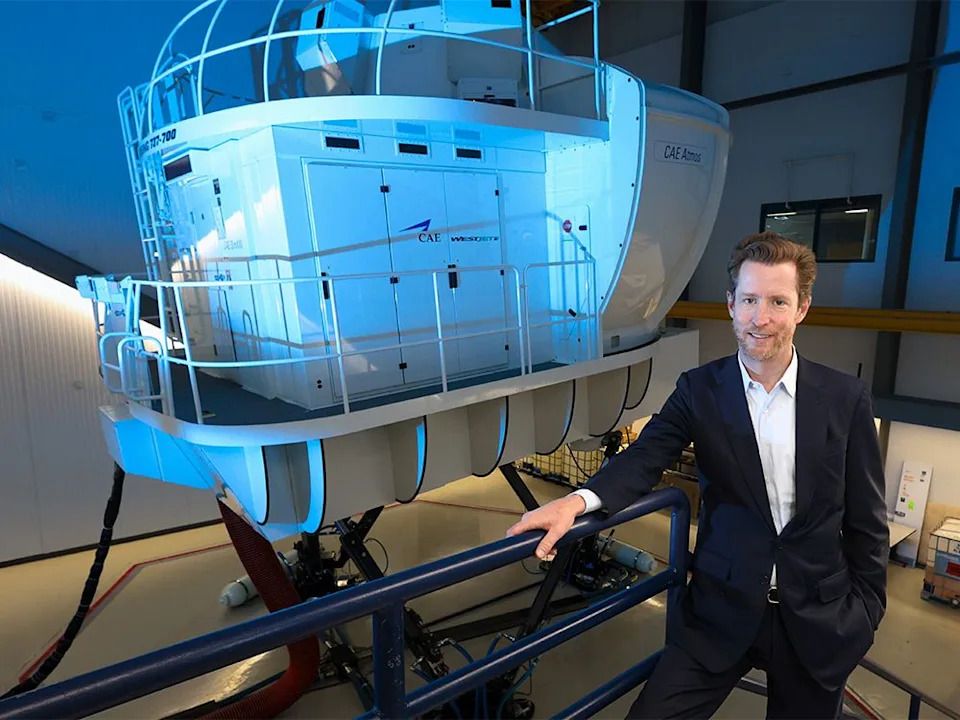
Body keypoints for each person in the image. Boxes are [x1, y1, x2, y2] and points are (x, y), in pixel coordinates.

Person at [506, 231, 888, 719]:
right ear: (731, 305)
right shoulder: (699, 390)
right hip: (719, 611)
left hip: (816, 621)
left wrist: (866, 612)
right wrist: (576, 501)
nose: (761, 318)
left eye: (777, 302)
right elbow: (645, 457)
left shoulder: (845, 398)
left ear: (802, 309)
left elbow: (868, 521)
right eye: (749, 300)